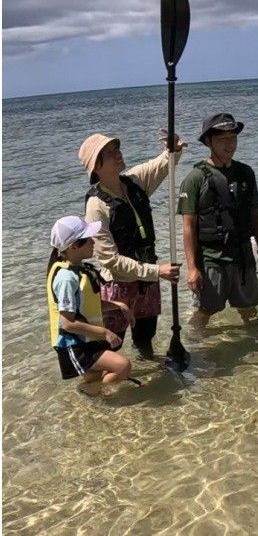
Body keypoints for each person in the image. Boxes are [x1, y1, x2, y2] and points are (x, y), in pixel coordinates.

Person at [79, 131, 182, 359]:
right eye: (109, 153)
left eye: (117, 150)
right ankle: (108, 388)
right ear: (96, 166)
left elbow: (163, 164)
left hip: (147, 283)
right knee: (110, 347)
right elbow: (110, 260)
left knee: (146, 339)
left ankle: (151, 379)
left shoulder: (133, 182)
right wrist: (157, 271)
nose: (118, 155)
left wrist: (173, 148)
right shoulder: (96, 206)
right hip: (118, 286)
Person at [177, 113, 258, 328]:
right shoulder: (195, 179)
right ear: (209, 142)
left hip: (244, 256)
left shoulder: (246, 173)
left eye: (233, 138)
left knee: (250, 310)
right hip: (212, 259)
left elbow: (256, 215)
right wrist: (192, 268)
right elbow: (188, 226)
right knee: (204, 312)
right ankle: (196, 353)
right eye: (223, 140)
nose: (230, 145)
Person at [47, 216, 134, 395]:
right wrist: (105, 332)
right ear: (73, 247)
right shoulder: (66, 278)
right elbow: (67, 323)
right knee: (123, 367)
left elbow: (87, 306)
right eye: (88, 239)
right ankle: (85, 390)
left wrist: (118, 305)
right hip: (76, 345)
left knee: (95, 382)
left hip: (88, 339)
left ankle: (91, 403)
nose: (93, 242)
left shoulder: (80, 270)